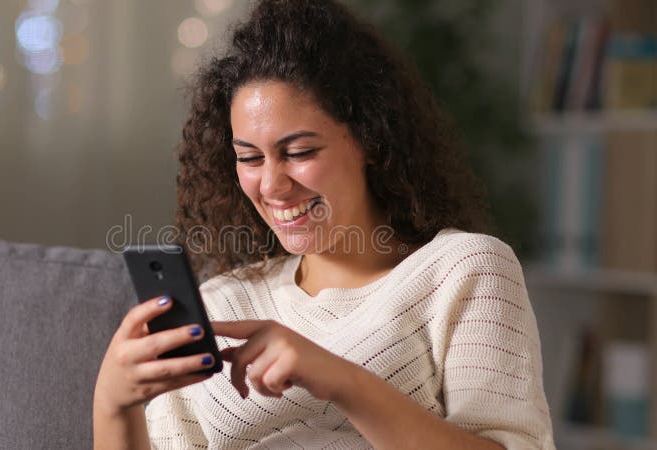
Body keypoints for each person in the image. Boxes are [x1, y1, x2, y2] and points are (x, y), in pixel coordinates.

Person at [93, 0, 556, 448]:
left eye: (299, 152)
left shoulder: (461, 270)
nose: (272, 185)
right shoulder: (224, 304)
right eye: (249, 158)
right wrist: (112, 403)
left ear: (369, 139)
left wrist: (339, 379)